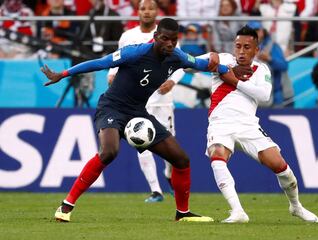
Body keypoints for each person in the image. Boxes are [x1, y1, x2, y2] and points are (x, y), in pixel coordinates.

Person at [41, 17, 232, 223]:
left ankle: (182, 213)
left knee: (181, 159)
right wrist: (63, 73)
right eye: (165, 39)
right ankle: (66, 206)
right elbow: (100, 63)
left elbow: (204, 64)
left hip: (138, 113)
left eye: (174, 40)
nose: (170, 44)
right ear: (156, 36)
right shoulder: (135, 52)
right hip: (112, 108)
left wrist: (228, 70)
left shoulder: (178, 56)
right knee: (109, 152)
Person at [203, 25, 318, 223]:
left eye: (247, 47)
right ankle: (237, 211)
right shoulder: (224, 60)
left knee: (280, 166)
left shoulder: (261, 69)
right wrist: (209, 57)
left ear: (256, 50)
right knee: (217, 155)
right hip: (220, 123)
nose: (241, 51)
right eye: (238, 46)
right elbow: (194, 64)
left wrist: (234, 81)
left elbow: (265, 95)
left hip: (248, 125)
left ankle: (296, 206)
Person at [107, 0, 181, 203]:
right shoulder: (127, 36)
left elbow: (181, 63)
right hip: (136, 102)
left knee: (170, 145)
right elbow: (116, 59)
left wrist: (173, 80)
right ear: (137, 12)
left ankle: (168, 175)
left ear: (157, 12)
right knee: (140, 140)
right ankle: (156, 190)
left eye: (150, 8)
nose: (147, 12)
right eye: (143, 8)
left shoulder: (167, 35)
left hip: (161, 100)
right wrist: (112, 74)